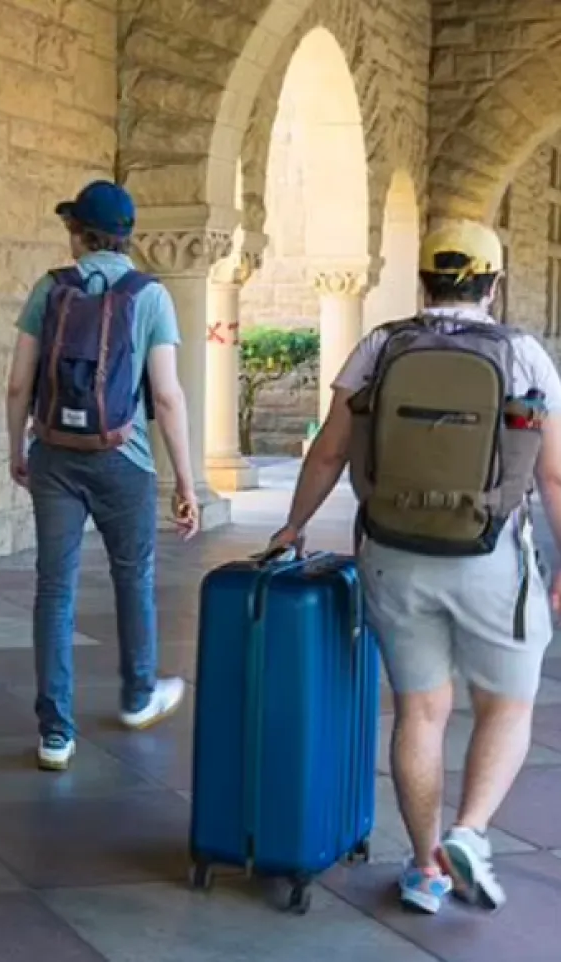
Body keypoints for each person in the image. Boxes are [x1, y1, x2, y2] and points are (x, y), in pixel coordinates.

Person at [266, 219, 561, 915]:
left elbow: (330, 451)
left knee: (421, 712)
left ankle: (426, 867)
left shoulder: (379, 346)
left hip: (392, 552)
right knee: (507, 704)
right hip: (490, 553)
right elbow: (553, 477)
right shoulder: (522, 354)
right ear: (493, 282)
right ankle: (470, 830)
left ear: (424, 278)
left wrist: (294, 523)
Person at [5, 180, 201, 773]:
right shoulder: (151, 296)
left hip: (54, 456)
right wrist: (187, 485)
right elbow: (166, 397)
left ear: (77, 233)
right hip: (126, 458)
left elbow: (18, 382)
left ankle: (55, 734)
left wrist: (17, 447)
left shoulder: (50, 288)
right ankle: (140, 695)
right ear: (127, 235)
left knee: (54, 589)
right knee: (132, 577)